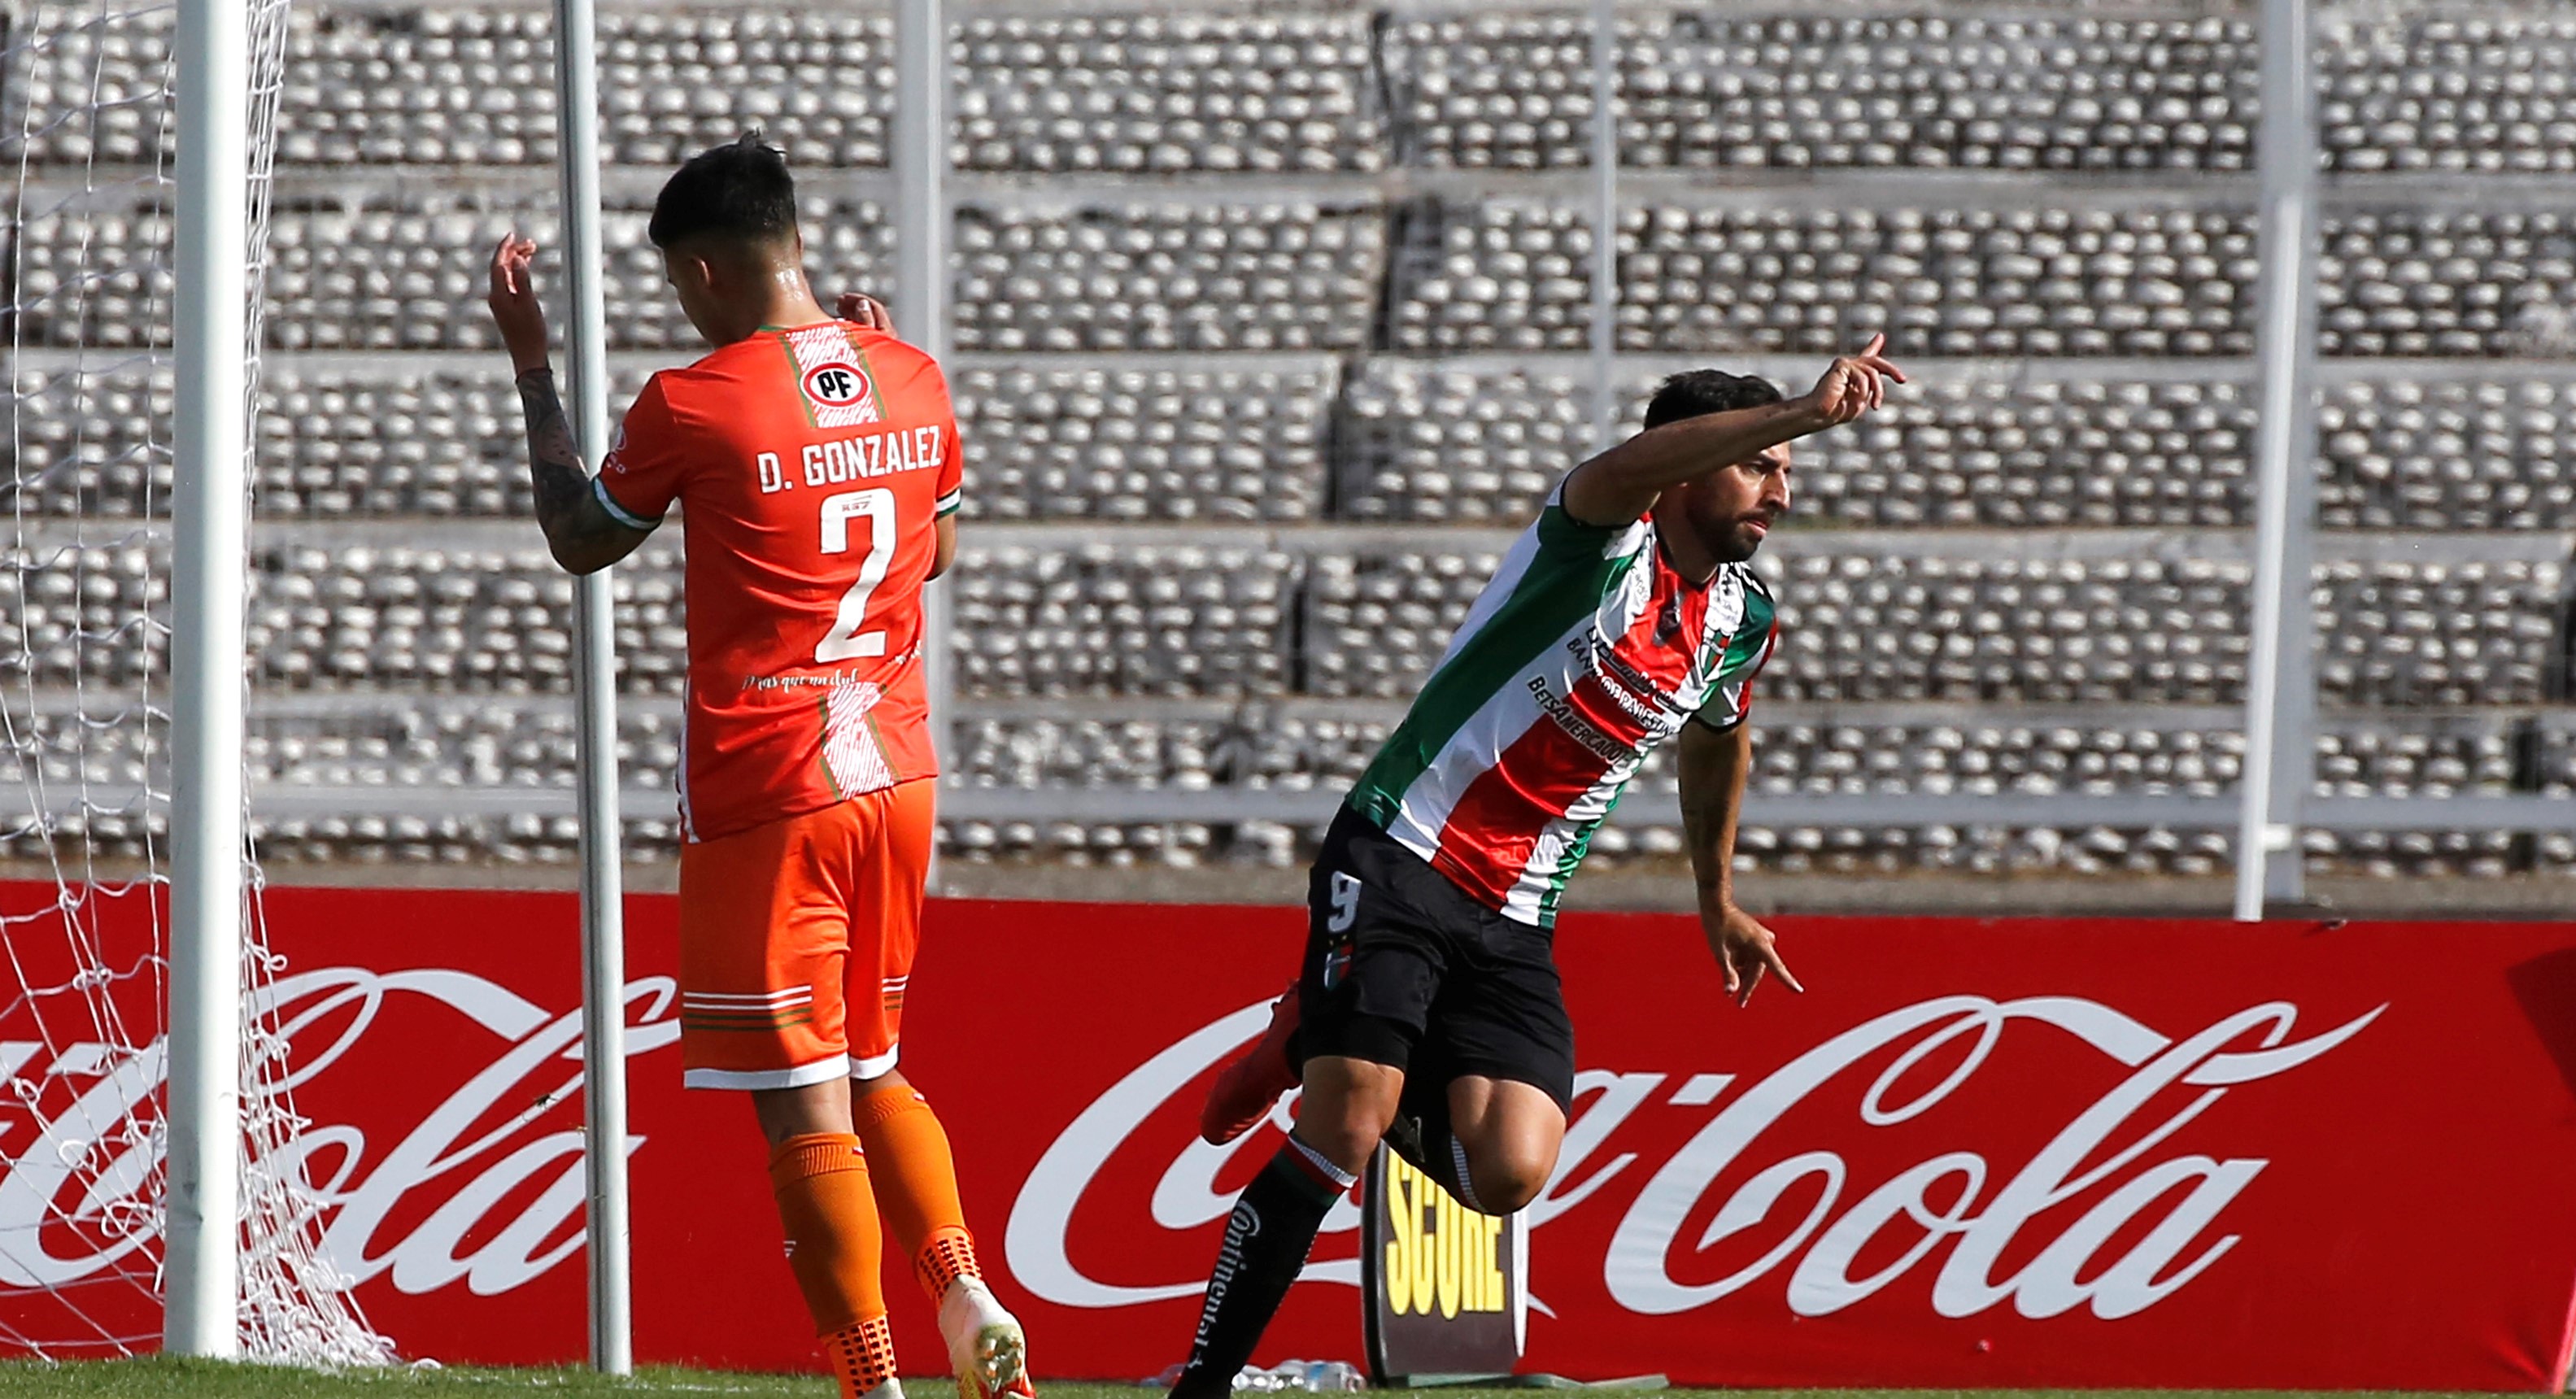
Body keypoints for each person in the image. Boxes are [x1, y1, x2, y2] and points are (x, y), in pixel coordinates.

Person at [1175, 341, 1907, 1397]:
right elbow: (1623, 470)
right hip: (1404, 847)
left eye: (1788, 471)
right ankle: (1200, 1386)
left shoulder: (1740, 619)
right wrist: (1796, 408)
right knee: (1344, 1130)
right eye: (1763, 466)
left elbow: (1717, 740)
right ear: (1692, 466)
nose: (1780, 491)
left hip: (1517, 910)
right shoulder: (1597, 542)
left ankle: (1314, 1022)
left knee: (1506, 1171)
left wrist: (1718, 899)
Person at [485, 133, 1031, 1399]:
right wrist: (871, 374)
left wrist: (533, 368)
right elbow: (936, 554)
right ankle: (958, 1287)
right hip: (896, 774)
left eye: (680, 283)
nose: (681, 304)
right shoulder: (908, 370)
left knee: (800, 1104)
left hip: (769, 784)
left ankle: (872, 1380)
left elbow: (579, 537)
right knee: (877, 1060)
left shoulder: (694, 400)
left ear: (708, 270)